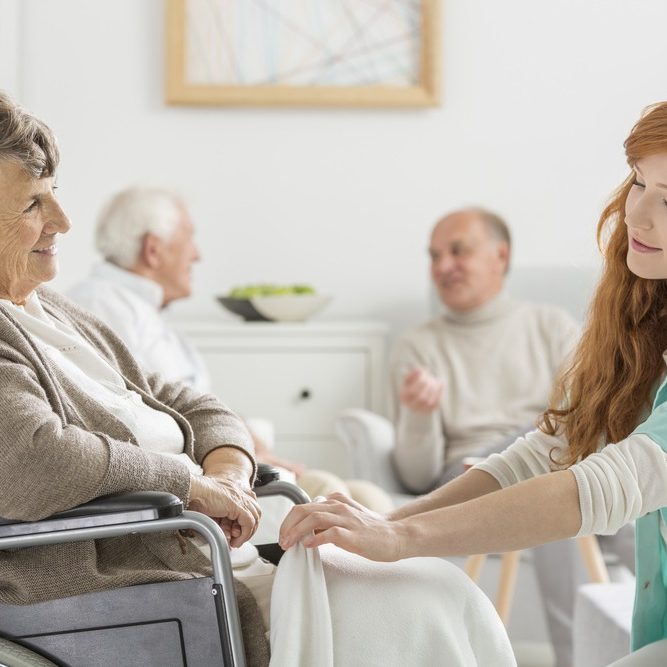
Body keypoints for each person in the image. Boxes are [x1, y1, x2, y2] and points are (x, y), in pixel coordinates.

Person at [0, 92, 516, 667]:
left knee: (435, 590)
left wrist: (229, 470)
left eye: (55, 196)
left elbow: (185, 399)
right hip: (145, 580)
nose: (63, 222)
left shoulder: (53, 309)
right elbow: (33, 460)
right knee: (418, 605)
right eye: (31, 205)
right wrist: (193, 486)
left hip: (205, 554)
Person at [280, 100, 667, 666]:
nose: (638, 215)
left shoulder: (545, 326)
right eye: (638, 183)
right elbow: (553, 448)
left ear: (500, 257)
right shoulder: (636, 327)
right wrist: (389, 521)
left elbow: (602, 485)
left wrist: (403, 538)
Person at [67, 186, 393, 512]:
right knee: (339, 495)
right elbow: (136, 422)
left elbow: (183, 398)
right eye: (190, 239)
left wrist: (243, 437)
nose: (197, 255)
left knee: (365, 497)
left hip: (217, 467)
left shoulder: (142, 313)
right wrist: (234, 454)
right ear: (154, 250)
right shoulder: (101, 307)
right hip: (189, 484)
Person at [390, 207, 580, 492]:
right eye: (435, 256)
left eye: (458, 251)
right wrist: (419, 416)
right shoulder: (417, 347)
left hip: (546, 462)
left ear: (501, 256)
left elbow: (585, 422)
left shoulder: (553, 327)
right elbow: (418, 480)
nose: (442, 267)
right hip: (466, 478)